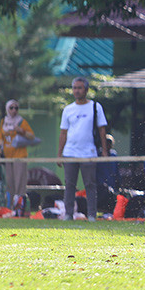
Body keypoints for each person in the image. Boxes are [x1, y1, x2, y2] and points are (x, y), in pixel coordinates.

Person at [58, 78, 109, 221]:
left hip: (88, 152)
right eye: (74, 88)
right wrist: (59, 154)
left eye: (79, 88)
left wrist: (105, 151)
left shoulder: (95, 107)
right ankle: (68, 214)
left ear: (86, 90)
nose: (76, 91)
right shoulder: (68, 109)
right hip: (70, 152)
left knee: (90, 185)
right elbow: (63, 133)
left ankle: (92, 214)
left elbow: (102, 130)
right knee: (69, 185)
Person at [0, 99, 36, 213]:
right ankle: (10, 208)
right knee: (9, 182)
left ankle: (20, 208)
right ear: (7, 109)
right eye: (11, 108)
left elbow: (31, 136)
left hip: (19, 156)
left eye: (16, 108)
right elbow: (1, 138)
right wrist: (0, 150)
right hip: (8, 156)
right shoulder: (3, 121)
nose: (14, 110)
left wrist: (21, 131)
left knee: (19, 182)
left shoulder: (21, 122)